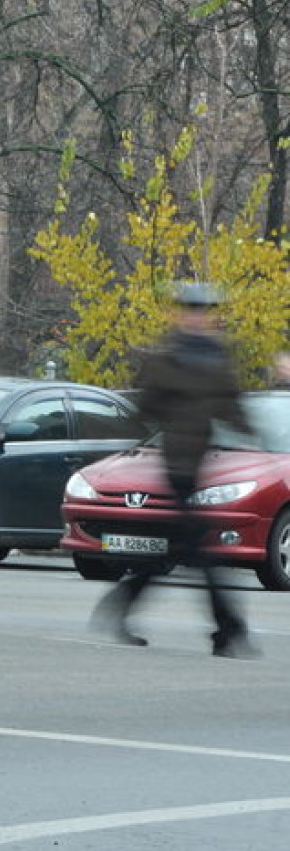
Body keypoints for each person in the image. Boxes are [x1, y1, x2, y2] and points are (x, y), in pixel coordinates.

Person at [92, 281, 259, 657]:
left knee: (183, 547)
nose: (197, 318)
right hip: (176, 466)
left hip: (198, 465)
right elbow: (144, 407)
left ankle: (122, 604)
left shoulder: (217, 358)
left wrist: (251, 433)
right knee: (201, 550)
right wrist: (130, 441)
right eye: (191, 311)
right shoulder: (166, 358)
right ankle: (229, 629)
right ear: (180, 314)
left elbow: (230, 404)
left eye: (203, 312)